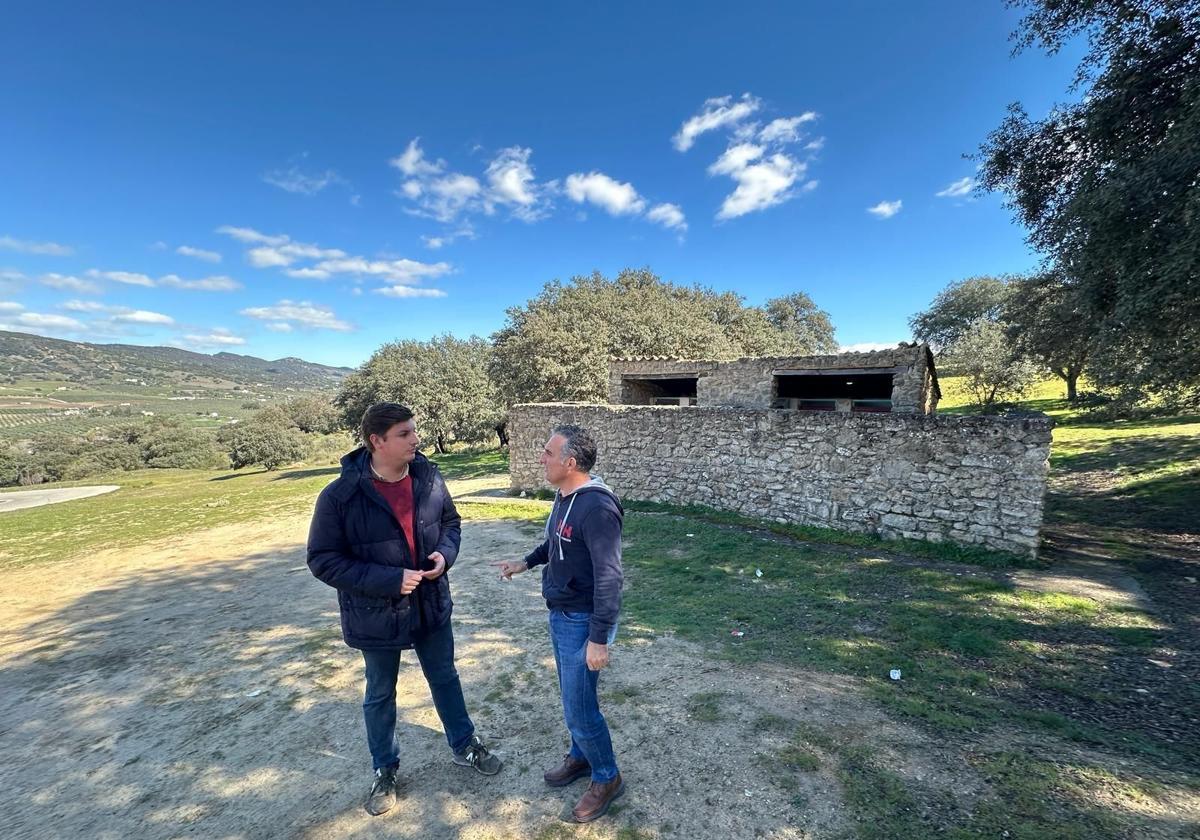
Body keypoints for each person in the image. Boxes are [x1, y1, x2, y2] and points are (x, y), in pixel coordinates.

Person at [307, 402, 501, 817]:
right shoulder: (340, 496)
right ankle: (385, 768)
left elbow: (452, 523)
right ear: (377, 441)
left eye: (414, 431)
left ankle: (464, 744)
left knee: (445, 676)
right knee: (380, 693)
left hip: (430, 602)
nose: (416, 439)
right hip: (375, 612)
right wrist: (388, 580)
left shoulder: (429, 476)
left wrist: (444, 557)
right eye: (404, 434)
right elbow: (322, 559)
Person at [492, 424, 625, 823]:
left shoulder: (597, 507)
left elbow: (610, 577)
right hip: (562, 615)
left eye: (548, 453)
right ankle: (582, 758)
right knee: (575, 701)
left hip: (583, 620)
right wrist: (526, 562)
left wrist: (598, 639)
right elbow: (556, 541)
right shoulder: (564, 496)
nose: (541, 458)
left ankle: (607, 777)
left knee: (579, 708)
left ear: (570, 462)